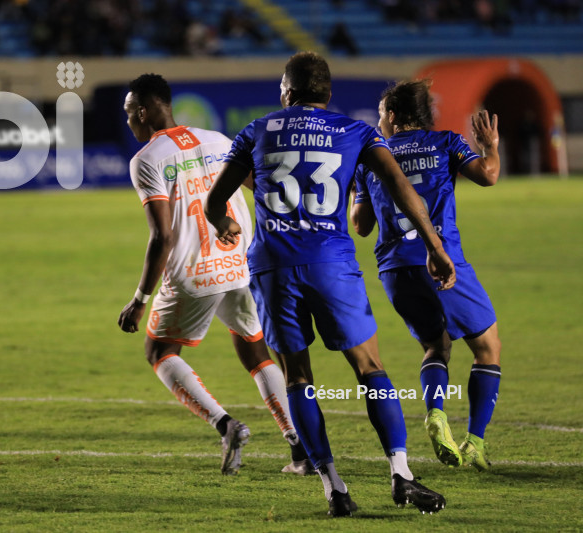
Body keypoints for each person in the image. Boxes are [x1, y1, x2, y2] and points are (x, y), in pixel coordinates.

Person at [205, 51, 454, 516]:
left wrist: (225, 225)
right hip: (331, 263)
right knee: (370, 367)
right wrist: (435, 247)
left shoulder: (257, 130)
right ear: (328, 94)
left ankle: (334, 489)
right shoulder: (355, 131)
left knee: (298, 376)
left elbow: (215, 200)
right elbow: (402, 187)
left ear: (287, 92)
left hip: (274, 266)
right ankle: (401, 475)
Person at [117, 73, 311, 476]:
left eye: (129, 113)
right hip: (240, 262)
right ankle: (300, 447)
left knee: (161, 352)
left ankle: (226, 425)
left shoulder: (146, 160)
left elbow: (163, 235)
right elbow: (260, 189)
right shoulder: (219, 140)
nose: (128, 122)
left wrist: (139, 299)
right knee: (255, 350)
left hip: (192, 272)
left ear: (143, 110)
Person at [351, 79, 501, 471]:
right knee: (487, 348)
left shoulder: (372, 156)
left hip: (395, 269)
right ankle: (477, 442)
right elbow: (488, 175)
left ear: (394, 115)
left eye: (382, 113)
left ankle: (436, 413)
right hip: (443, 262)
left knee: (436, 347)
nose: (380, 120)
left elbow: (361, 225)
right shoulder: (446, 143)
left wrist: (359, 186)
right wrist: (490, 147)